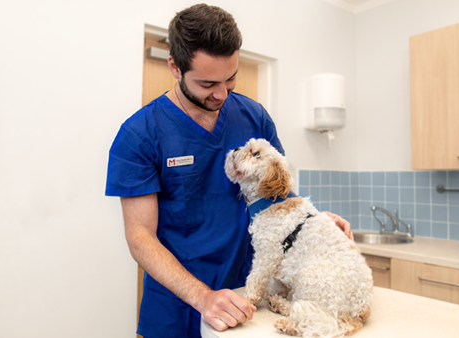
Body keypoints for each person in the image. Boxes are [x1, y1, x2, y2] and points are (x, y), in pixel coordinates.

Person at [105, 4, 353, 337]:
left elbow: (278, 196)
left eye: (230, 78)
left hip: (249, 300)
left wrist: (314, 223)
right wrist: (202, 297)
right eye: (208, 83)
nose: (222, 94)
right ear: (175, 67)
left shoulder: (254, 116)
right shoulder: (139, 134)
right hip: (176, 307)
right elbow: (140, 237)